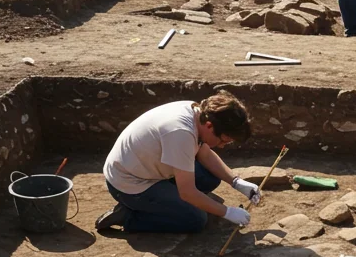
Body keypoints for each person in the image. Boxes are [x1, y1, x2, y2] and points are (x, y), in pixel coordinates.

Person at [95, 93, 259, 234]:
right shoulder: (181, 133)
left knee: (210, 177)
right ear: (209, 126)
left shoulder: (197, 113)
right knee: (194, 220)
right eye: (223, 140)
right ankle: (128, 216)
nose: (222, 146)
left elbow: (204, 152)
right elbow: (187, 192)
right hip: (130, 184)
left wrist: (236, 182)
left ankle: (175, 202)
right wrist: (227, 212)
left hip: (149, 167)